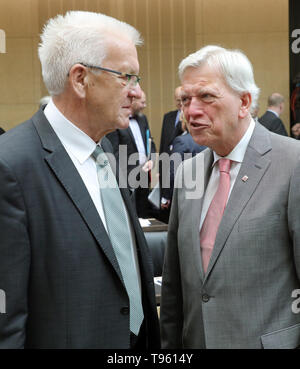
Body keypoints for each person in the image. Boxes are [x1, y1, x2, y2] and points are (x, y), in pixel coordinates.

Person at [0, 10, 160, 349]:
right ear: (80, 79)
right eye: (127, 77)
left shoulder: (111, 148)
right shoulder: (10, 166)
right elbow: (7, 318)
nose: (137, 91)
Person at [160, 45, 300, 349]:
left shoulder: (293, 163)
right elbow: (174, 289)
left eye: (206, 97)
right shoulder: (187, 173)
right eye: (185, 99)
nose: (191, 110)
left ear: (244, 102)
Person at [106, 90, 156, 218]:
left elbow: (150, 141)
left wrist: (152, 159)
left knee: (144, 214)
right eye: (142, 102)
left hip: (145, 175)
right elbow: (114, 154)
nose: (144, 105)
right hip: (127, 177)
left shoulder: (143, 119)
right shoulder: (116, 121)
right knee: (130, 215)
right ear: (132, 101)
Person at [160, 112, 206, 210]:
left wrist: (166, 196)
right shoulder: (209, 140)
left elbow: (173, 172)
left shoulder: (181, 141)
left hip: (184, 196)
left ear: (185, 123)